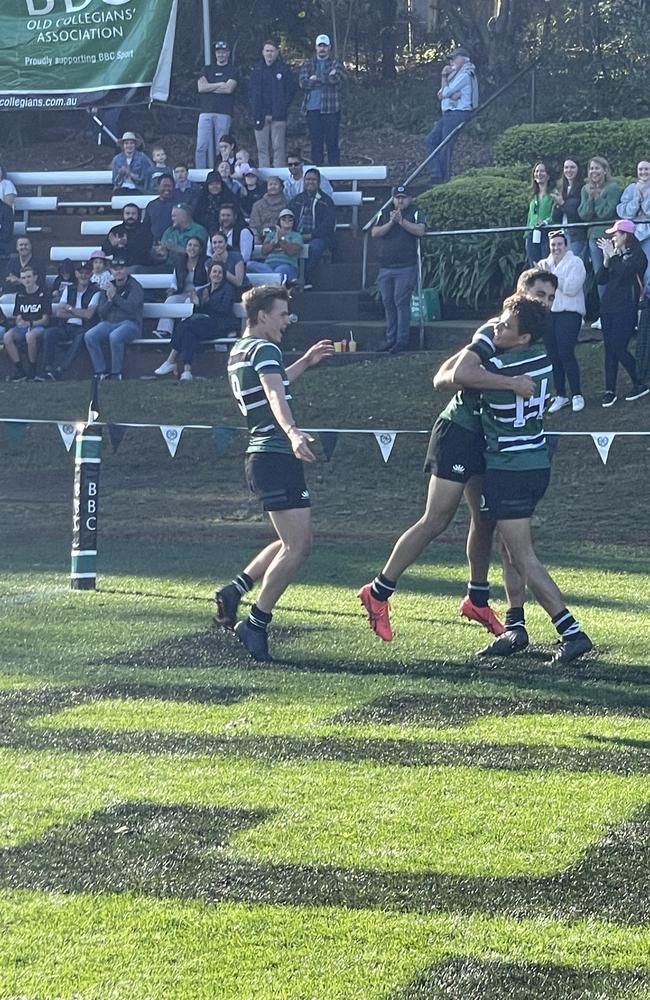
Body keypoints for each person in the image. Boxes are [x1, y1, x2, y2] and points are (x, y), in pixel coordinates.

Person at [358, 268, 558, 645]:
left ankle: (480, 600)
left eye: (549, 298)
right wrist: (510, 383)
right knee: (436, 520)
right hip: (460, 433)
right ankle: (379, 591)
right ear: (519, 292)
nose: (543, 302)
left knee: (487, 524)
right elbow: (446, 377)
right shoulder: (496, 330)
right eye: (537, 294)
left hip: (489, 440)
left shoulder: (532, 340)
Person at [448, 294, 593, 664]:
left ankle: (571, 631)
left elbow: (455, 375)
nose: (497, 327)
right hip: (534, 461)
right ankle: (515, 627)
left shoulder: (498, 362)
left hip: (510, 467)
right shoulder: (542, 357)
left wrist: (483, 345)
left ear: (524, 337)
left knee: (523, 556)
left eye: (506, 326)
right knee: (509, 550)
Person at [215, 284, 334, 661]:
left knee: (290, 542)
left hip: (263, 455)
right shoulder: (266, 349)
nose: (287, 321)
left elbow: (272, 383)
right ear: (262, 315)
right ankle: (255, 622)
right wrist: (293, 432)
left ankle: (236, 590)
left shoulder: (240, 350)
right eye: (282, 314)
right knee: (299, 546)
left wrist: (305, 364)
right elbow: (273, 394)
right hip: (274, 453)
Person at [154, 261, 237, 381]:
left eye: (220, 272)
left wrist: (206, 303)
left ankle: (171, 360)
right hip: (204, 324)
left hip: (221, 325)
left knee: (186, 326)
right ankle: (187, 372)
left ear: (223, 275)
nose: (217, 275)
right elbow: (199, 311)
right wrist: (197, 303)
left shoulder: (228, 289)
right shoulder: (204, 290)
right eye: (214, 271)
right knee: (188, 333)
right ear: (209, 274)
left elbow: (224, 310)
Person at [596, 219, 649, 406]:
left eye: (616, 234)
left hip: (626, 309)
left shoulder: (638, 255)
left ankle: (640, 381)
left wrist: (614, 257)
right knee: (609, 350)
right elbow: (600, 280)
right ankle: (610, 390)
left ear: (626, 235)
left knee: (618, 347)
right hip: (608, 308)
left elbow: (626, 272)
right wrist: (606, 259)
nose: (612, 238)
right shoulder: (615, 255)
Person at [372, 184, 425, 354]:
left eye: (403, 197)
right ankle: (391, 338)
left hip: (406, 266)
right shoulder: (385, 211)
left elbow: (420, 230)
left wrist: (401, 221)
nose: (400, 201)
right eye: (397, 197)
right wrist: (391, 222)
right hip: (386, 267)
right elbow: (375, 232)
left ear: (409, 198)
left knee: (401, 302)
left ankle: (402, 339)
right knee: (388, 302)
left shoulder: (415, 212)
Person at [539, 230, 587, 413]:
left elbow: (572, 288)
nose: (556, 248)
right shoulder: (545, 263)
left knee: (566, 352)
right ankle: (560, 395)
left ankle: (577, 394)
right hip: (549, 314)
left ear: (565, 245)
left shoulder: (576, 263)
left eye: (559, 244)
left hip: (570, 313)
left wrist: (551, 277)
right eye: (553, 245)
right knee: (553, 355)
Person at [84, 256, 144, 380]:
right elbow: (101, 312)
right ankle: (101, 372)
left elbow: (131, 309)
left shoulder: (135, 286)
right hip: (109, 323)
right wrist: (110, 300)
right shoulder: (108, 285)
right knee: (89, 335)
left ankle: (116, 374)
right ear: (111, 271)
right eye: (115, 269)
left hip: (131, 324)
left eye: (121, 268)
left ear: (126, 269)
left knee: (115, 336)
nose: (118, 272)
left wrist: (115, 296)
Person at [425, 46, 478, 182]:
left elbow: (445, 93)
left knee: (445, 146)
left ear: (463, 59)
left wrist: (446, 86)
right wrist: (446, 84)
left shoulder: (465, 74)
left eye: (454, 58)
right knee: (431, 140)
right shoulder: (455, 75)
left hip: (458, 113)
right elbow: (440, 94)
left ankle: (443, 178)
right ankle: (436, 173)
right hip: (449, 114)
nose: (451, 62)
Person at [41, 260, 101, 380]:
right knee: (49, 333)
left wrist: (69, 308)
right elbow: (59, 312)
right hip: (66, 327)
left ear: (91, 274)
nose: (83, 275)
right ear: (76, 273)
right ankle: (47, 368)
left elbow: (89, 315)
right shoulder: (68, 289)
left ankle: (61, 369)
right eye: (81, 272)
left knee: (81, 337)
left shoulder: (96, 291)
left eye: (87, 273)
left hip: (83, 327)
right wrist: (79, 313)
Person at [578, 156, 622, 316]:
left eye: (597, 168)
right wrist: (590, 198)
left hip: (610, 235)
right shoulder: (585, 189)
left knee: (614, 271)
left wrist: (597, 199)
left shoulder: (613, 188)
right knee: (600, 274)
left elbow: (606, 213)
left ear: (605, 170)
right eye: (591, 168)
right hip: (592, 236)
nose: (594, 171)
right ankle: (604, 312)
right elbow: (584, 214)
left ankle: (615, 311)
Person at [299, 34, 345, 166]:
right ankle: (316, 175)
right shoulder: (308, 64)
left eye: (325, 46)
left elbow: (338, 78)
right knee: (316, 143)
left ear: (329, 47)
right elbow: (303, 83)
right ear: (316, 47)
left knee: (332, 143)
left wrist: (316, 79)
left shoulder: (336, 63)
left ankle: (335, 176)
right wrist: (326, 77)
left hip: (331, 109)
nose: (322, 48)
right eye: (320, 46)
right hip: (312, 109)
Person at [250, 40, 296, 168]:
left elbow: (290, 91)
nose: (269, 54)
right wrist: (254, 109)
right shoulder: (257, 69)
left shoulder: (284, 69)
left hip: (278, 116)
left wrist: (282, 107)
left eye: (272, 51)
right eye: (267, 51)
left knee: (279, 148)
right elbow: (251, 92)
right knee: (262, 149)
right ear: (262, 52)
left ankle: (278, 178)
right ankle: (265, 180)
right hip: (260, 115)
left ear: (277, 52)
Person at [154, 236, 211, 339]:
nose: (192, 248)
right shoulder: (180, 261)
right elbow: (174, 281)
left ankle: (182, 331)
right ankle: (164, 330)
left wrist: (196, 290)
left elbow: (211, 282)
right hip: (182, 293)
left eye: (195, 246)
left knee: (188, 303)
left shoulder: (206, 262)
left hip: (199, 294)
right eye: (189, 245)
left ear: (201, 249)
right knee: (170, 300)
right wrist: (172, 289)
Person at [288, 168, 336, 288]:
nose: (310, 182)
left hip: (318, 237)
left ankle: (305, 278)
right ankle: (290, 279)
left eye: (313, 179)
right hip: (296, 234)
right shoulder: (296, 200)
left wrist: (311, 235)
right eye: (308, 179)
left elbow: (328, 225)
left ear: (319, 182)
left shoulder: (326, 201)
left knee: (313, 248)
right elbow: (287, 215)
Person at [2, 266, 50, 381]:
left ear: (35, 277)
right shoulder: (20, 295)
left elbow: (46, 320)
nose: (26, 280)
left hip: (39, 327)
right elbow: (18, 316)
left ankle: (32, 369)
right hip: (23, 326)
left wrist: (29, 323)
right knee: (7, 336)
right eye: (23, 278)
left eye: (29, 277)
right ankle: (20, 370)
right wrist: (20, 322)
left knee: (30, 336)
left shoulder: (44, 294)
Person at [196, 41, 238, 169]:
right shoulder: (207, 69)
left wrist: (210, 86)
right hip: (206, 112)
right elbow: (201, 87)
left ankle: (220, 171)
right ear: (215, 53)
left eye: (223, 52)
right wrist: (220, 84)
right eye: (218, 52)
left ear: (228, 53)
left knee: (222, 147)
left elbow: (228, 89)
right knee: (201, 146)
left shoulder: (232, 70)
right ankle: (201, 174)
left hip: (224, 112)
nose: (221, 54)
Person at [616, 159, 650, 286]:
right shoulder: (630, 189)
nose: (643, 172)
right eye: (641, 169)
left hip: (648, 235)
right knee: (631, 268)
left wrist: (643, 197)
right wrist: (637, 198)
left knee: (648, 272)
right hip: (632, 234)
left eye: (646, 169)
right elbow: (624, 212)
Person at [247, 209, 304, 283]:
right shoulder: (271, 235)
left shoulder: (297, 236)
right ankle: (273, 279)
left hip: (288, 266)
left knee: (279, 270)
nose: (287, 221)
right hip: (268, 265)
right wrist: (273, 243)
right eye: (283, 219)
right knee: (249, 264)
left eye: (290, 219)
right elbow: (264, 251)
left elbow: (291, 251)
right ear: (279, 221)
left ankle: (272, 282)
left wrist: (281, 239)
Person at [550, 157, 585, 258]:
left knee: (573, 263)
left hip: (576, 235)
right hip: (562, 233)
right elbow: (555, 218)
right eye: (566, 167)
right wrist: (557, 205)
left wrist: (562, 204)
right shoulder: (561, 188)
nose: (569, 170)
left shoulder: (583, 188)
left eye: (572, 167)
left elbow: (579, 214)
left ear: (578, 169)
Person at [101, 203, 153, 267]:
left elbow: (146, 250)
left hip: (140, 266)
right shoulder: (115, 230)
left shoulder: (145, 230)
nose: (130, 216)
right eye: (127, 213)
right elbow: (105, 252)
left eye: (133, 213)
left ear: (138, 215)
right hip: (118, 265)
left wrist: (126, 244)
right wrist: (114, 246)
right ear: (123, 215)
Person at [525, 162, 554, 265]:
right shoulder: (533, 195)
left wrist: (546, 222)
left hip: (546, 234)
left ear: (548, 175)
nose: (539, 174)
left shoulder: (553, 195)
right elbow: (530, 216)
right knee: (533, 266)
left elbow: (554, 215)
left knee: (545, 265)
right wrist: (526, 234)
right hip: (532, 234)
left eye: (542, 171)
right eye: (537, 171)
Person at [248, 175, 288, 241]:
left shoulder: (287, 204)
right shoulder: (258, 205)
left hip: (284, 237)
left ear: (281, 187)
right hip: (262, 238)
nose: (272, 186)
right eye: (270, 184)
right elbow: (254, 226)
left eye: (275, 184)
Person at [144, 174, 175, 243]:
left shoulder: (178, 205)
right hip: (154, 244)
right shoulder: (151, 205)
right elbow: (146, 227)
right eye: (164, 186)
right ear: (158, 187)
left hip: (172, 244)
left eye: (169, 186)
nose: (167, 189)